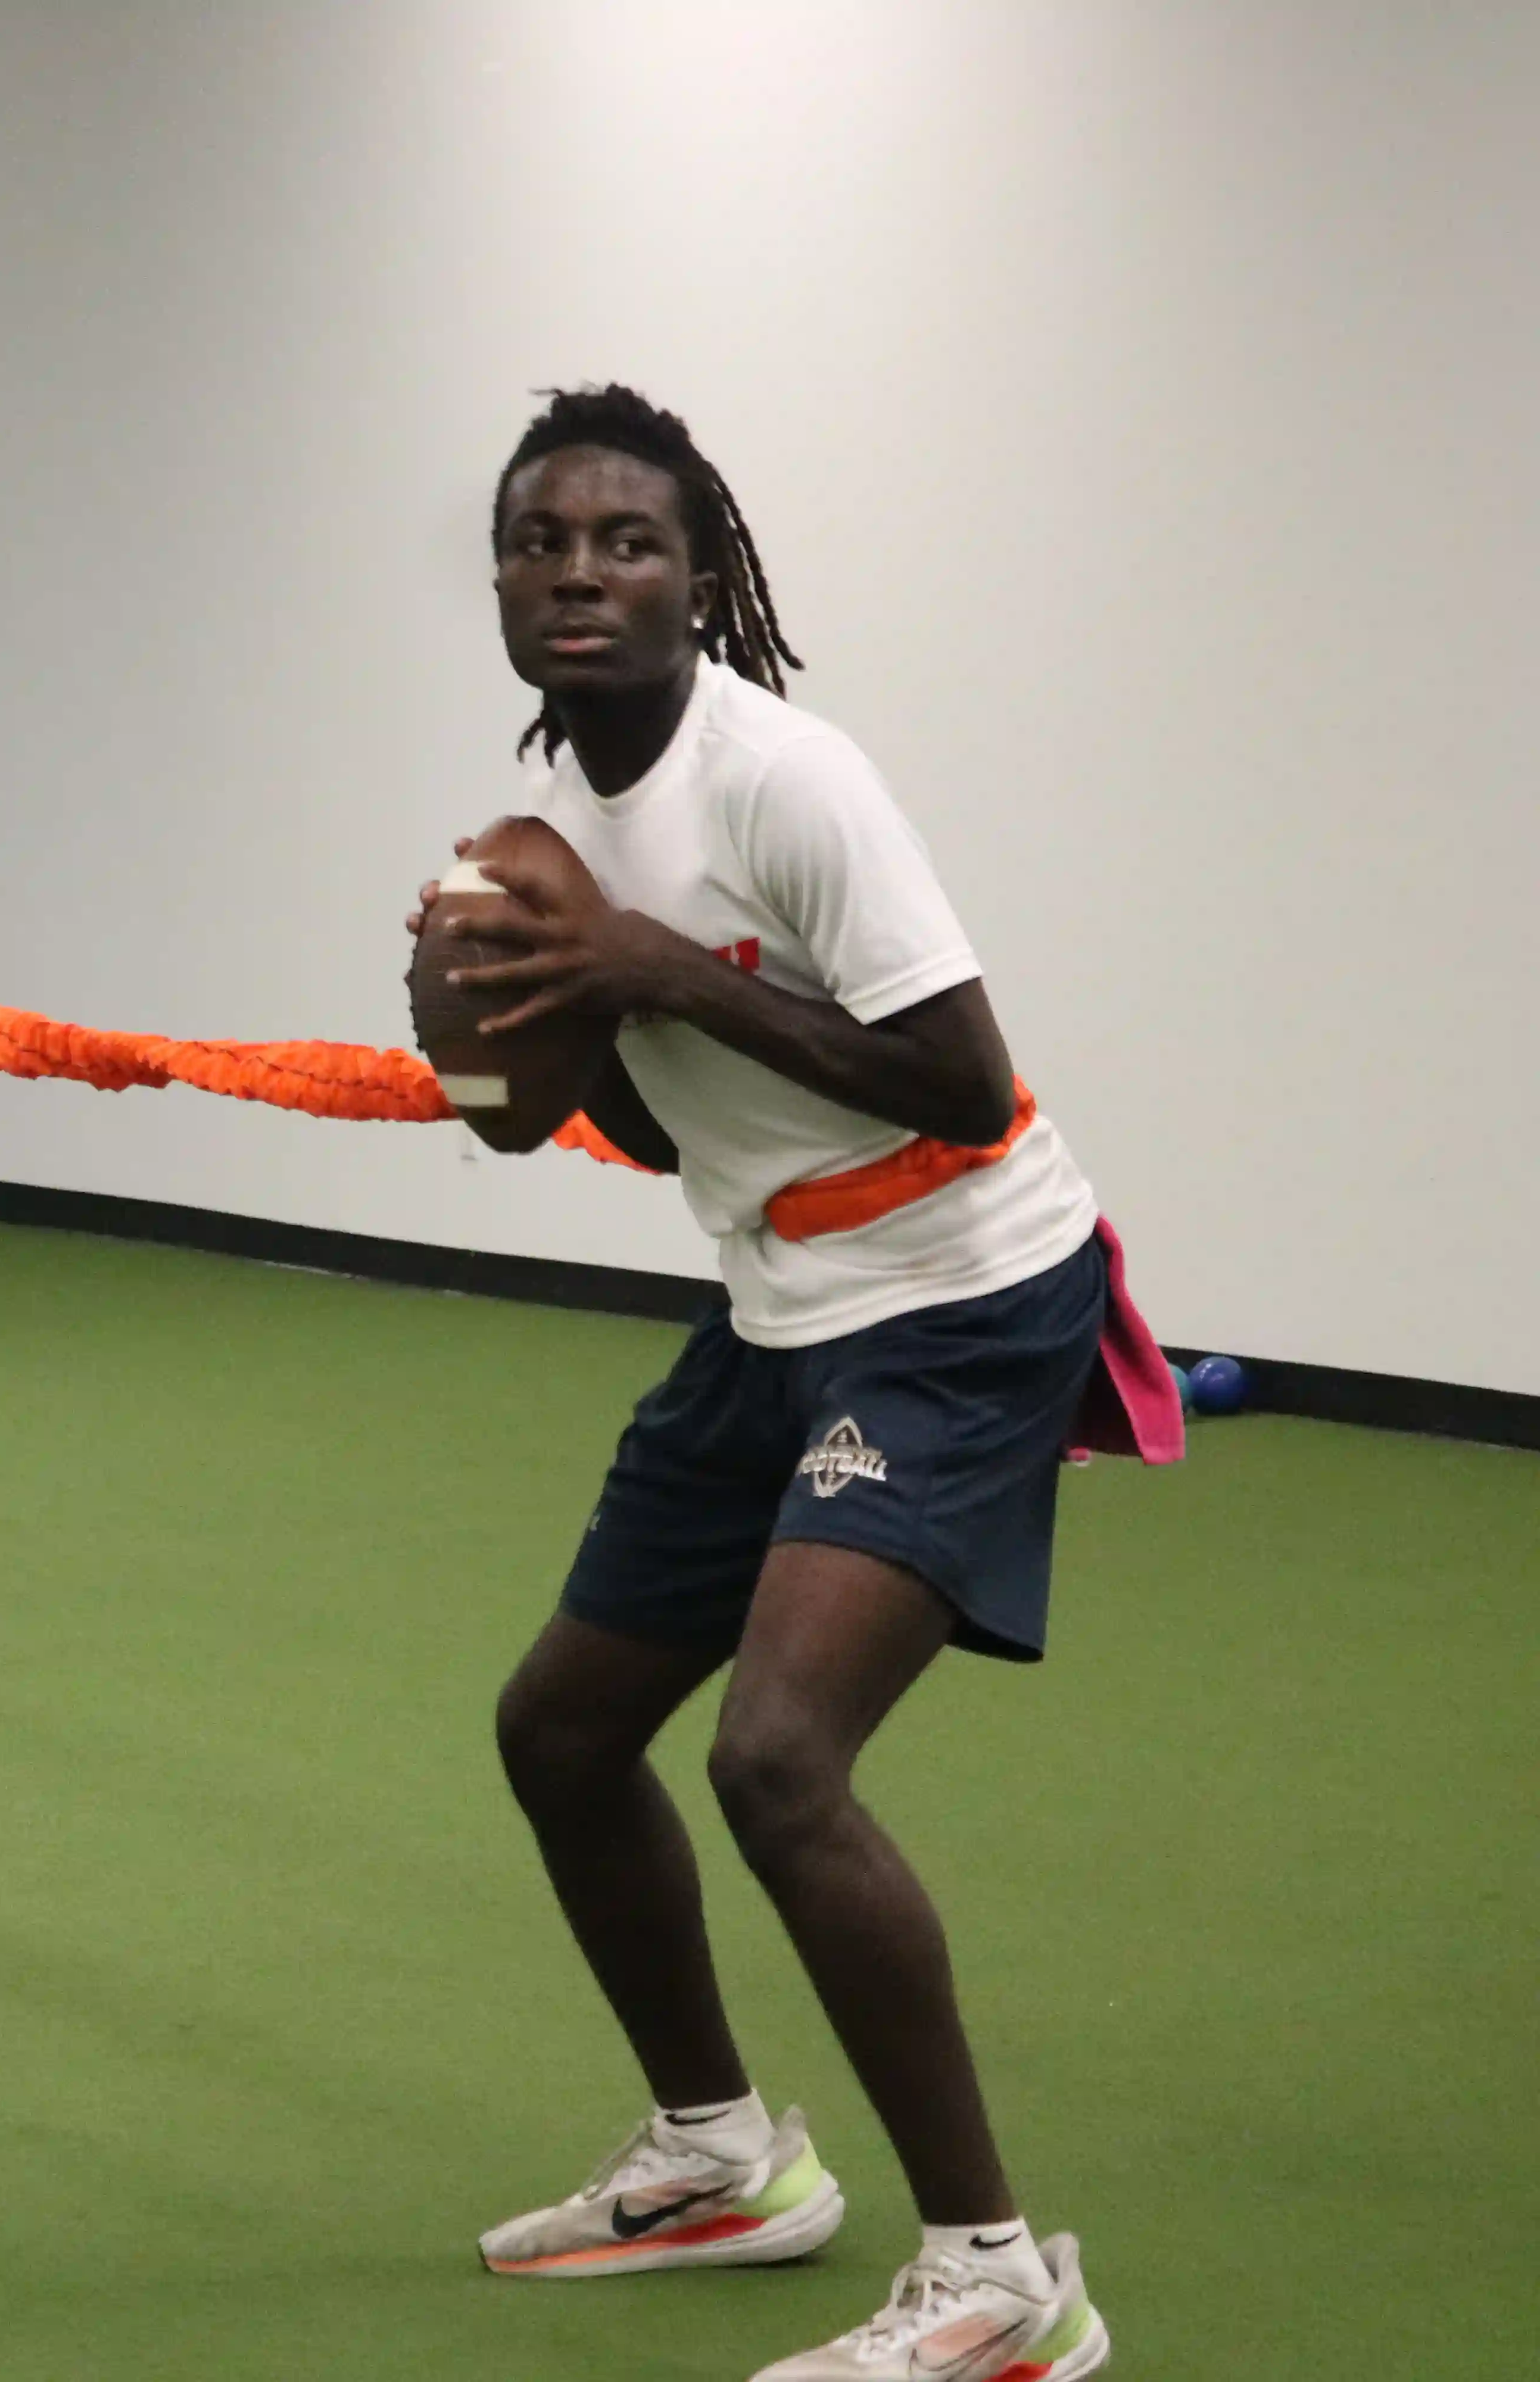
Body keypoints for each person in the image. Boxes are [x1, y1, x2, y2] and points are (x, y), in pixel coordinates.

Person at [412, 386, 1130, 2381]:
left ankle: (1000, 2283)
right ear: (502, 580)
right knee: (564, 1732)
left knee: (778, 1761)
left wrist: (652, 970)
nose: (580, 573)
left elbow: (962, 1084)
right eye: (541, 541)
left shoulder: (788, 782)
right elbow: (654, 1123)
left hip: (963, 1295)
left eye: (627, 542)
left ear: (700, 576)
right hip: (778, 1303)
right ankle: (723, 2159)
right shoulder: (549, 843)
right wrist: (520, 1034)